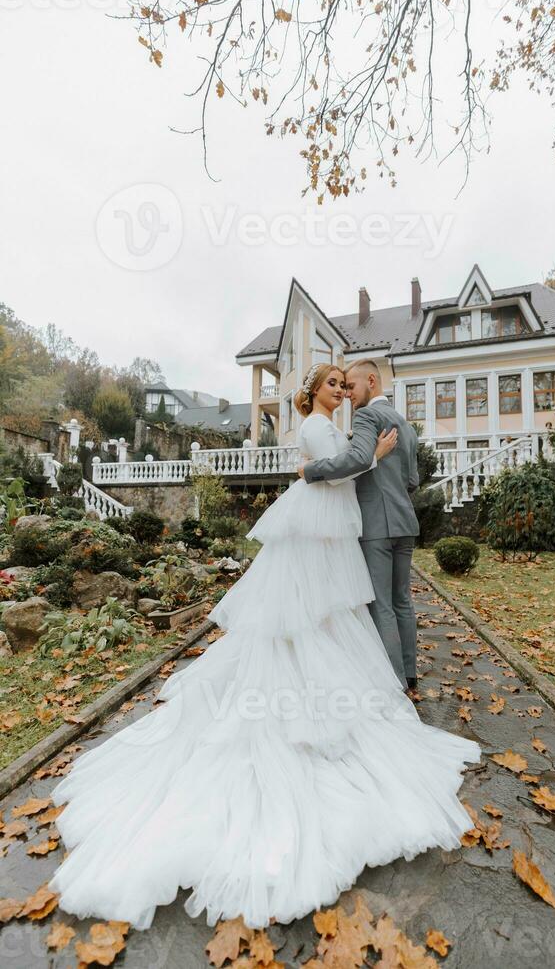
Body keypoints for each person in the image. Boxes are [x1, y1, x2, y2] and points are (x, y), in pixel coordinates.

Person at [47, 362, 481, 932]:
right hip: (323, 518)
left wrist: (361, 459)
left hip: (338, 521)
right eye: (333, 383)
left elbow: (348, 466)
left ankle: (383, 678)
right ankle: (367, 682)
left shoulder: (350, 422)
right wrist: (354, 461)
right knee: (322, 612)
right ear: (316, 392)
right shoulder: (322, 427)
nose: (341, 389)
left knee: (342, 611)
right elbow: (334, 469)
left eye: (344, 382)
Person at [299, 358, 420, 692]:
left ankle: (393, 684)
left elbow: (355, 459)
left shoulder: (368, 415)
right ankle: (410, 674)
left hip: (376, 522)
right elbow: (412, 479)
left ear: (371, 380)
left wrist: (309, 471)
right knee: (402, 602)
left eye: (350, 386)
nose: (348, 394)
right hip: (405, 521)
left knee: (380, 604)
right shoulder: (405, 424)